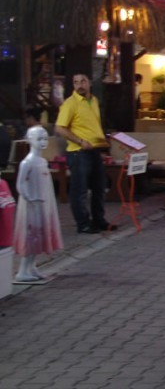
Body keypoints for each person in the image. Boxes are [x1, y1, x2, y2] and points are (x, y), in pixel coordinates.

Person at [54, 73, 116, 234]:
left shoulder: (94, 100)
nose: (79, 85)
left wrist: (104, 140)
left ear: (90, 83)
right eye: (76, 82)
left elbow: (92, 126)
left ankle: (99, 220)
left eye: (83, 81)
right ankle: (83, 223)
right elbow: (60, 128)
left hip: (95, 150)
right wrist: (80, 141)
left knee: (99, 187)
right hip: (78, 152)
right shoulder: (70, 103)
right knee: (79, 190)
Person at [13, 125, 64, 282]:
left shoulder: (42, 161)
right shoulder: (27, 162)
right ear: (30, 140)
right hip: (32, 204)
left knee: (39, 235)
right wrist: (29, 198)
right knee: (31, 237)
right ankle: (23, 270)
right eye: (39, 139)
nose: (43, 142)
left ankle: (32, 267)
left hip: (43, 203)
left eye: (45, 139)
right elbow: (20, 183)